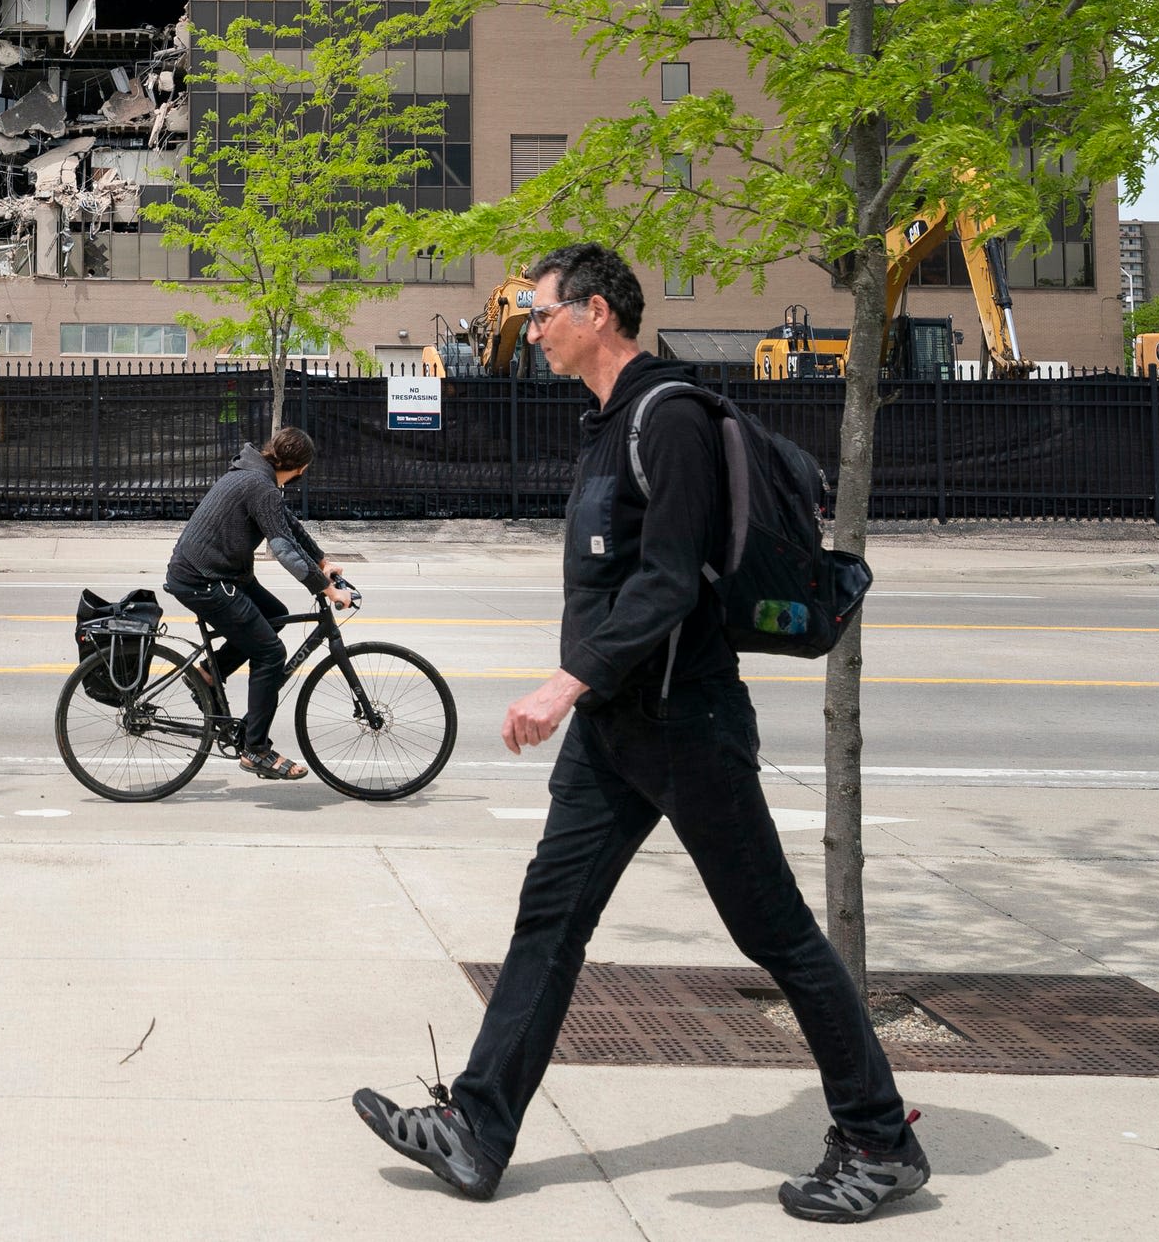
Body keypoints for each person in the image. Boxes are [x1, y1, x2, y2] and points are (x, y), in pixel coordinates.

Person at [351, 243, 928, 1223]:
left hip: (686, 721)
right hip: (618, 729)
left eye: (542, 314)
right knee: (549, 918)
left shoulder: (671, 421)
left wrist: (564, 683)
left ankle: (880, 1137)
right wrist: (588, 694)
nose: (530, 331)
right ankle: (476, 1131)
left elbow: (667, 579)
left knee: (775, 931)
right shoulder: (607, 425)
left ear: (599, 312)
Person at [165, 425, 354, 780]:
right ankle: (256, 750)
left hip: (218, 573)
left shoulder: (256, 475)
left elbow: (286, 524)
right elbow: (282, 548)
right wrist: (327, 590)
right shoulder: (259, 484)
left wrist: (323, 561)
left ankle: (210, 673)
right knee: (270, 654)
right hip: (203, 579)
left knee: (275, 616)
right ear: (301, 468)